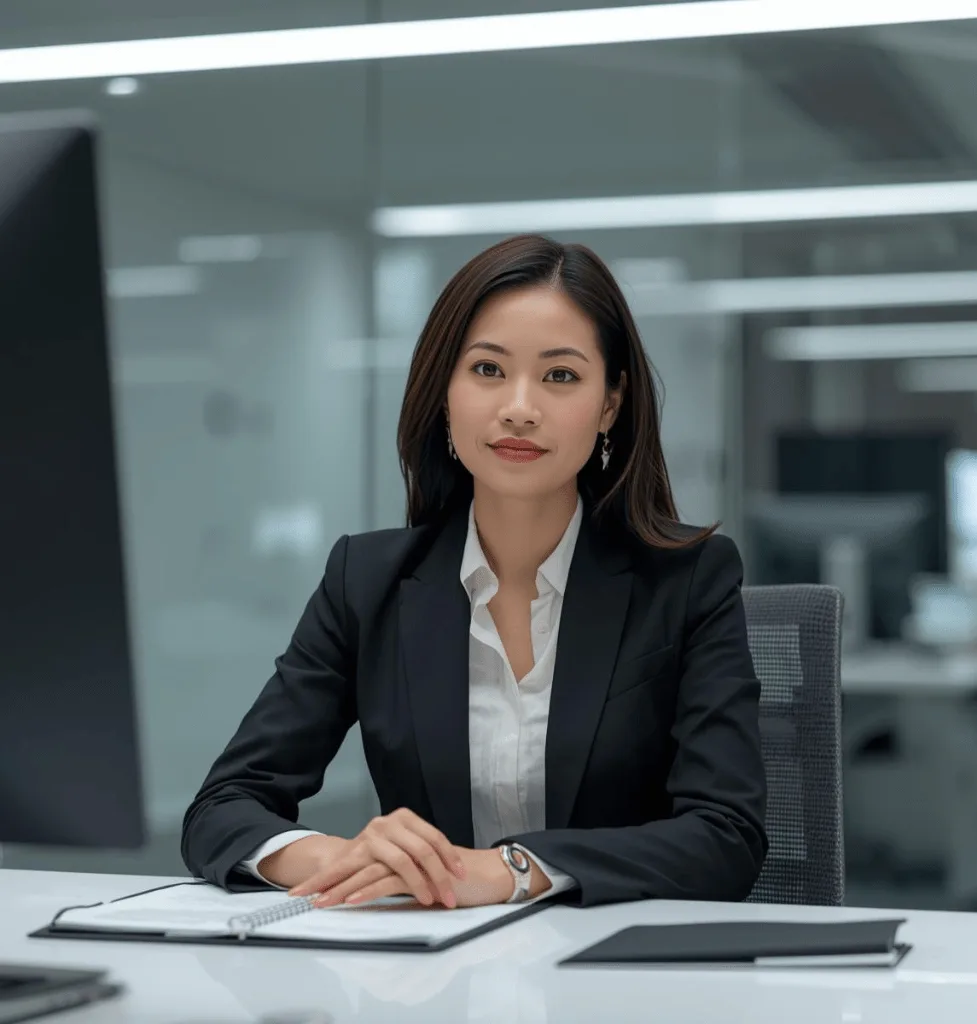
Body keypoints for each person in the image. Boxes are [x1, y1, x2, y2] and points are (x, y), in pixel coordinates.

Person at [181, 234, 767, 910]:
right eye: (488, 370)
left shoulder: (688, 581)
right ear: (444, 394)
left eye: (561, 376)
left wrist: (512, 870)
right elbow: (221, 810)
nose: (519, 406)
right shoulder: (365, 582)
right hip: (433, 975)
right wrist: (348, 859)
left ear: (610, 404)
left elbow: (725, 837)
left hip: (618, 972)